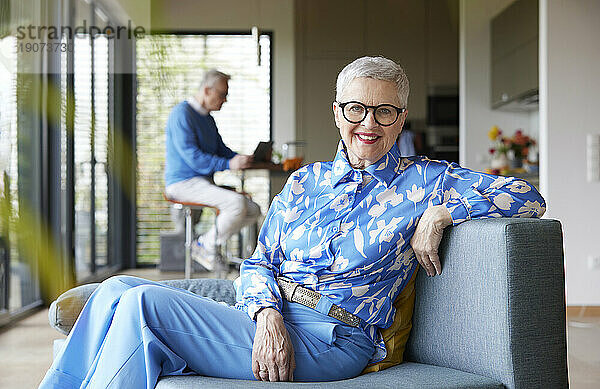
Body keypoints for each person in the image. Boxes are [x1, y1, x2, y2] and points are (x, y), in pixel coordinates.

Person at [39, 56, 546, 388]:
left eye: (384, 111)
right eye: (356, 108)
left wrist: (444, 210)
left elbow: (529, 196)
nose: (368, 123)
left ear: (401, 116)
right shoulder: (304, 183)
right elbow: (260, 262)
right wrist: (267, 316)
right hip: (276, 313)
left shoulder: (427, 181)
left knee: (144, 302)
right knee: (116, 288)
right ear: (336, 112)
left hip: (334, 337)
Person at [163, 69, 261, 270]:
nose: (225, 100)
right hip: (182, 183)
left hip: (202, 183)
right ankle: (205, 246)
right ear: (207, 90)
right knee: (236, 204)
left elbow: (220, 150)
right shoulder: (182, 114)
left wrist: (237, 158)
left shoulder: (207, 118)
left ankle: (207, 244)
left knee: (253, 210)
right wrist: (228, 165)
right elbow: (193, 158)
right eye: (222, 94)